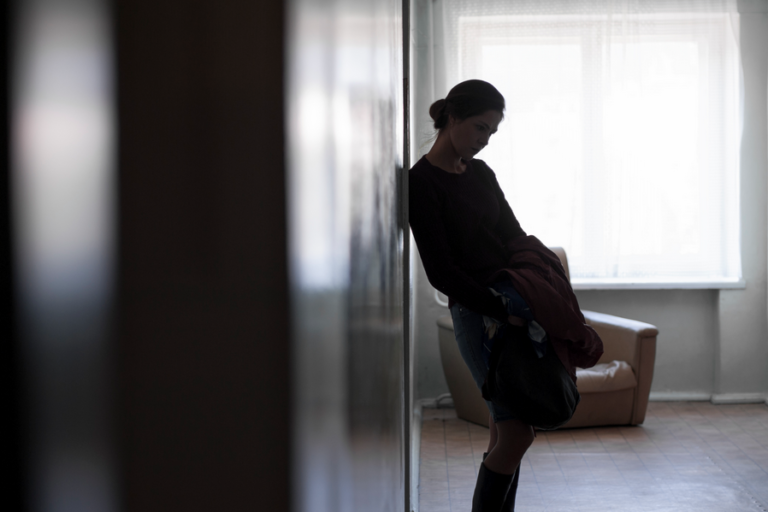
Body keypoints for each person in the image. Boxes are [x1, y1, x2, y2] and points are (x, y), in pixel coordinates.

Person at [409, 79, 534, 511]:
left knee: (506, 427)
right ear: (453, 117)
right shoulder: (421, 182)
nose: (485, 140)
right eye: (480, 128)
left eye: (492, 132)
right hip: (478, 314)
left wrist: (531, 288)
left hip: (511, 304)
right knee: (518, 433)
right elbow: (441, 272)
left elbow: (513, 234)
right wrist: (500, 308)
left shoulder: (481, 173)